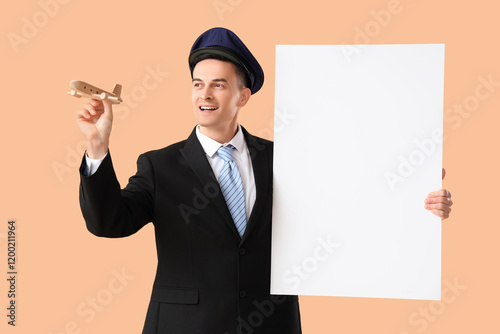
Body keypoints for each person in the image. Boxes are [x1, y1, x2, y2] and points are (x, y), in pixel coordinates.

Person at [76, 27, 453, 334]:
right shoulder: (160, 165)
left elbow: (348, 202)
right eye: (197, 83)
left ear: (243, 95)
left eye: (218, 85)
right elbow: (109, 222)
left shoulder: (287, 157)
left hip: (272, 324)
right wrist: (97, 147)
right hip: (186, 326)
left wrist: (415, 193)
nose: (204, 94)